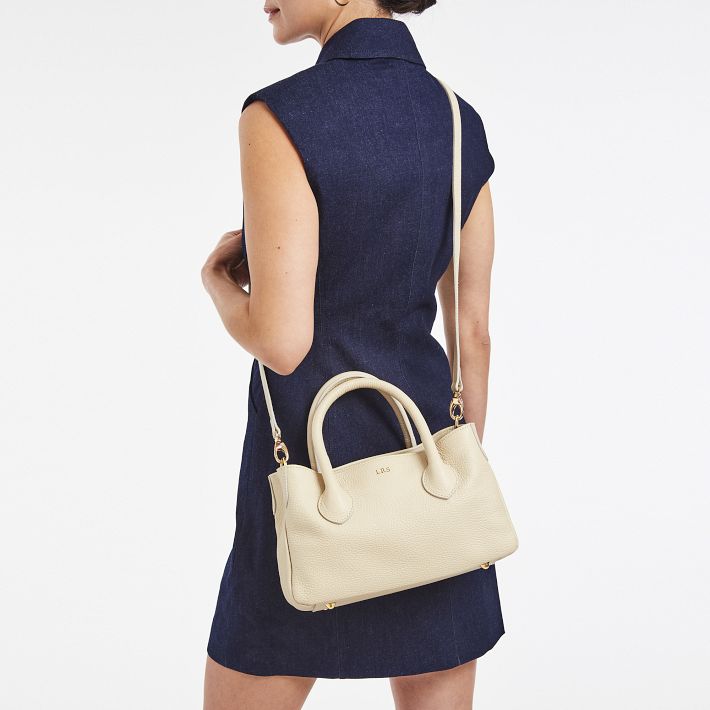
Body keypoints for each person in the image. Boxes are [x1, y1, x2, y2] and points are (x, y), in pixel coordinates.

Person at [201, 2, 503, 708]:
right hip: (427, 459)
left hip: (310, 472)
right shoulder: (457, 119)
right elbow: (473, 330)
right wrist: (451, 481)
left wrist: (218, 284)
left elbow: (283, 343)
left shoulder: (279, 116)